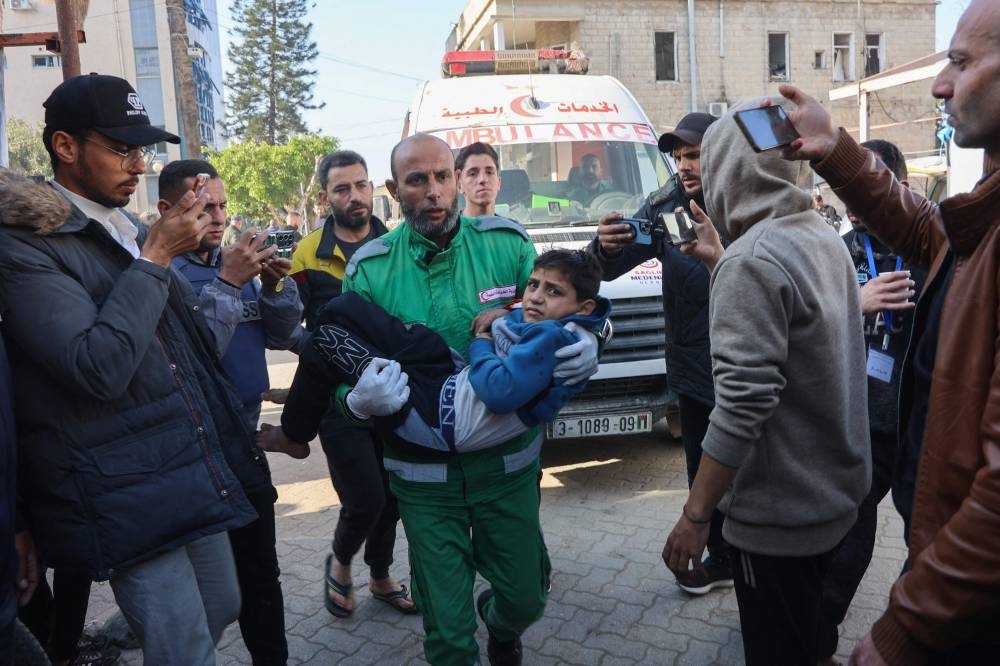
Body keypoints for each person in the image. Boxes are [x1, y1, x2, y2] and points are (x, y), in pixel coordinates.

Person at [0, 73, 259, 665]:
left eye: (141, 149)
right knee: (187, 644)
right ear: (66, 147)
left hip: (181, 462)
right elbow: (98, 367)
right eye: (121, 149)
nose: (138, 166)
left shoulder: (130, 230)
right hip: (117, 483)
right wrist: (158, 256)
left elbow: (185, 347)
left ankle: (112, 647)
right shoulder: (23, 245)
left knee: (222, 603)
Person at [779, 1, 1000, 662]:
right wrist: (833, 148)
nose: (940, 85)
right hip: (946, 560)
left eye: (961, 63)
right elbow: (927, 229)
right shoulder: (981, 220)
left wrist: (906, 624)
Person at [339, 133, 599, 666]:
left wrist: (596, 336)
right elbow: (343, 365)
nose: (433, 191)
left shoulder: (506, 245)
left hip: (507, 469)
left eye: (441, 177)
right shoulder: (369, 269)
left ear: (457, 180)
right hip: (424, 480)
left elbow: (566, 300)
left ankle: (501, 624)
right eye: (417, 181)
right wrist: (356, 400)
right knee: (449, 639)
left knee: (526, 599)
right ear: (394, 189)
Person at [661, 99, 870, 666]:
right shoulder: (818, 234)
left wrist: (696, 516)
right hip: (833, 503)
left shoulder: (752, 260)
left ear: (727, 168)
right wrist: (717, 262)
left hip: (779, 521)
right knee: (810, 642)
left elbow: (741, 406)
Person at [260, 250, 609, 459]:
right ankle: (309, 386)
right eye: (533, 285)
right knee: (348, 310)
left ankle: (294, 432)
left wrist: (482, 342)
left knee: (326, 339)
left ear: (583, 306)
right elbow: (529, 321)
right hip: (447, 386)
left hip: (437, 420)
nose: (535, 297)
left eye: (553, 291)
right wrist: (506, 312)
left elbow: (500, 393)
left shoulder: (554, 337)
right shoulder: (562, 325)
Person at [162, 159, 302, 666]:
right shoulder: (162, 275)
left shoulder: (239, 266)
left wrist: (274, 288)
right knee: (211, 589)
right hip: (192, 455)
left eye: (222, 206)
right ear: (168, 210)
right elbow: (194, 359)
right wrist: (226, 281)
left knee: (261, 573)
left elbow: (285, 335)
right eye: (204, 206)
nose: (219, 218)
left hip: (244, 445)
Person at [589, 111, 734, 595]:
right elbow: (613, 264)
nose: (684, 165)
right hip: (692, 368)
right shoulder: (665, 206)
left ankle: (752, 561)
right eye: (677, 156)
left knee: (745, 471)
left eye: (692, 154)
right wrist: (605, 247)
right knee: (701, 467)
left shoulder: (741, 200)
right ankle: (721, 560)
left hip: (744, 367)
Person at [816, 140, 927, 665]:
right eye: (848, 190)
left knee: (925, 541)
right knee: (851, 536)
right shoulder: (833, 248)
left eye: (869, 186)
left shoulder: (934, 252)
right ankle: (816, 636)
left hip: (918, 428)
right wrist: (853, 304)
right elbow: (803, 332)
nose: (857, 202)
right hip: (856, 422)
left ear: (898, 189)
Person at [288, 150, 411, 618]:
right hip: (335, 402)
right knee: (365, 498)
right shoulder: (306, 253)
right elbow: (287, 326)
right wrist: (318, 349)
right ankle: (340, 561)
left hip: (394, 394)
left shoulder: (399, 244)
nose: (355, 196)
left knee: (394, 496)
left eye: (361, 186)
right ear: (325, 198)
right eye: (343, 189)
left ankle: (380, 576)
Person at [456, 142, 502, 218]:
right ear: (459, 184)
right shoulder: (450, 229)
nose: (483, 179)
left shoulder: (512, 229)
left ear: (499, 182)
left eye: (489, 172)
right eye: (472, 174)